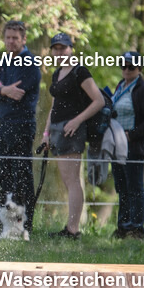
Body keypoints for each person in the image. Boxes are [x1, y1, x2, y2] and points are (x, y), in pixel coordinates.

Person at [41, 33, 104, 240]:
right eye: (56, 49)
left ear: (71, 49)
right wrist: (46, 133)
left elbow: (98, 101)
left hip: (72, 131)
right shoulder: (57, 73)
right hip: (57, 130)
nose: (59, 52)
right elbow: (54, 105)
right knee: (67, 180)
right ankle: (70, 226)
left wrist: (77, 121)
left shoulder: (80, 72)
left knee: (73, 181)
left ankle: (73, 229)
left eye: (63, 48)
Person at [0, 21, 41, 236]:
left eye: (15, 38)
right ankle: (6, 223)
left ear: (23, 39)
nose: (10, 41)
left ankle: (26, 224)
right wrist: (4, 90)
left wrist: (4, 90)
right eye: (8, 37)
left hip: (22, 125)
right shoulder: (4, 60)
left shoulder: (29, 63)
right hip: (5, 124)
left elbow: (20, 92)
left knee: (23, 176)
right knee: (6, 174)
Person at [111, 52, 144, 239]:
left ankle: (137, 227)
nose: (126, 70)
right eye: (123, 66)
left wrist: (133, 135)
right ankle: (123, 225)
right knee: (121, 186)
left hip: (133, 145)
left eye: (131, 67)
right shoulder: (120, 86)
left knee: (135, 186)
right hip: (116, 144)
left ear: (139, 69)